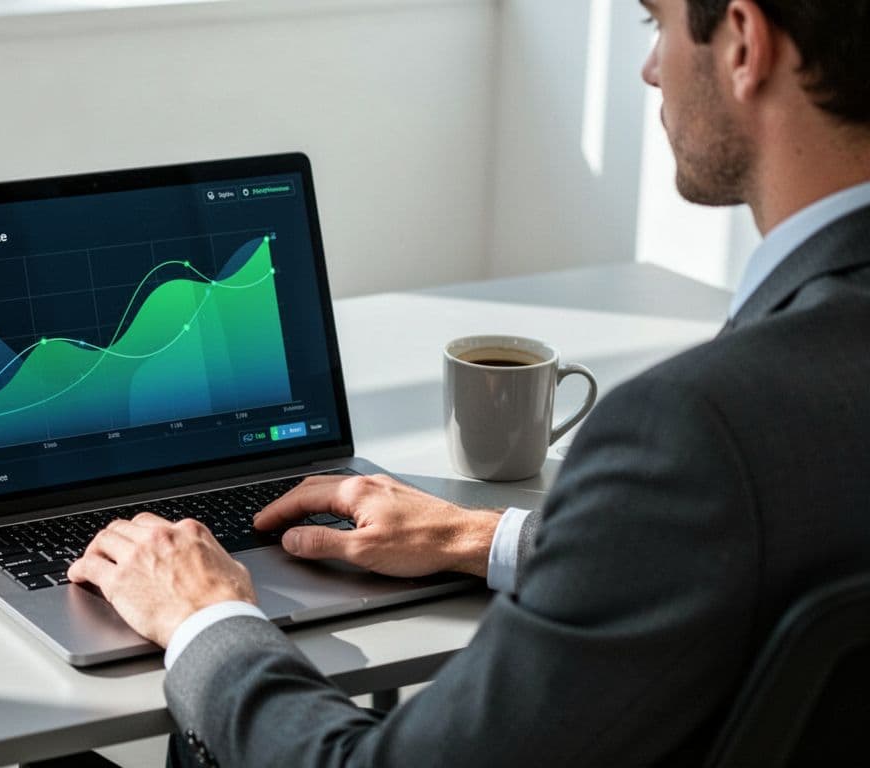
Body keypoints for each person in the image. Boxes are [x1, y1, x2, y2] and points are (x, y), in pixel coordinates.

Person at [65, 0, 870, 764]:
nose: (652, 70)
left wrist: (206, 617)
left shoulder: (694, 426)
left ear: (741, 41)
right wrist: (482, 539)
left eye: (655, 23)